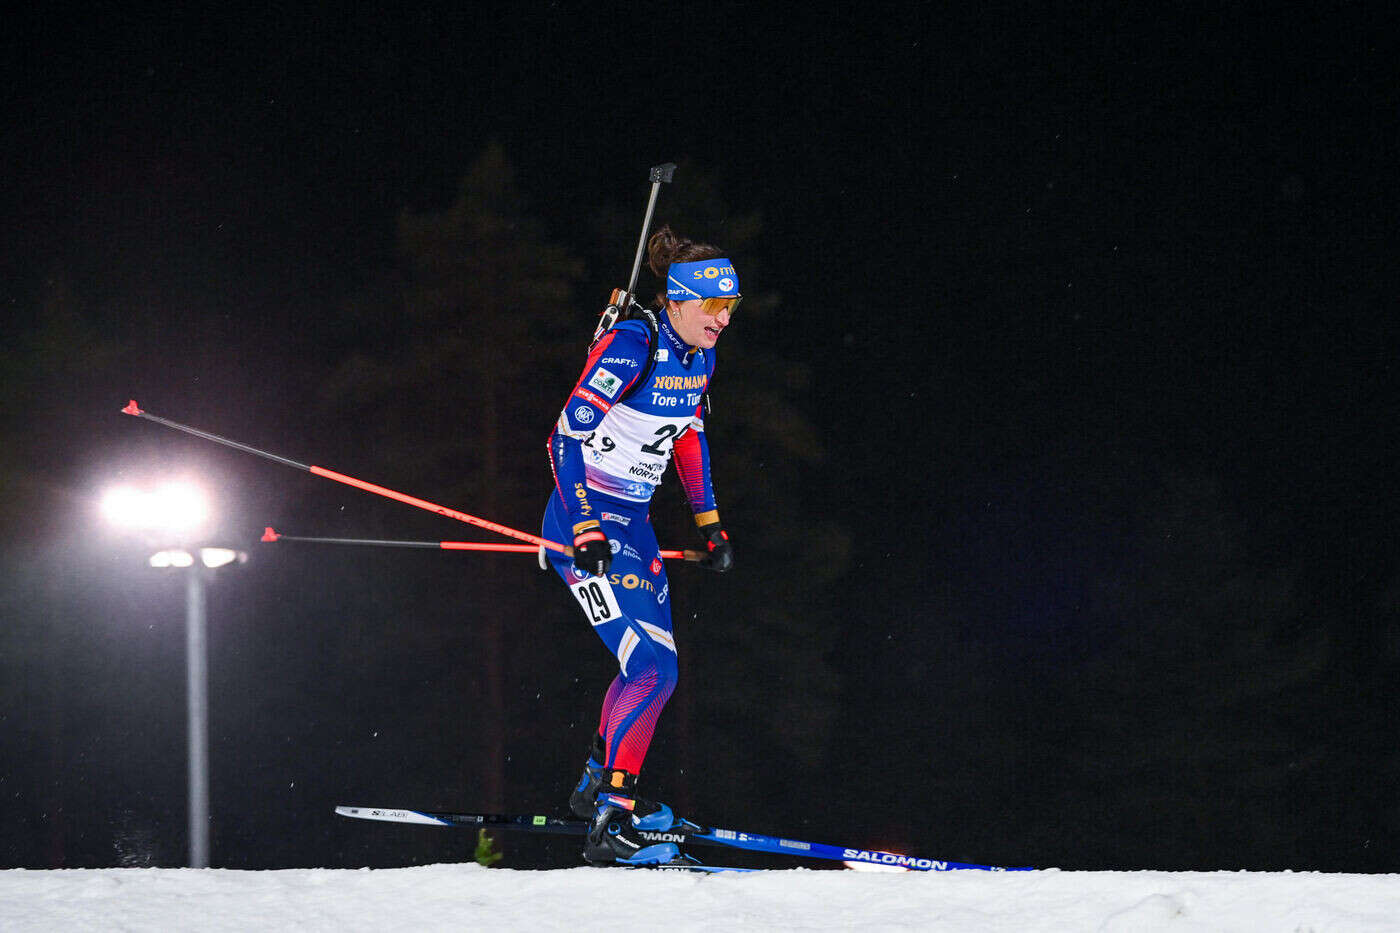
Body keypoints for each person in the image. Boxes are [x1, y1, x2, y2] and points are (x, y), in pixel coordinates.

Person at [541, 226, 738, 865]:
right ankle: (613, 823)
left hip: (635, 526)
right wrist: (583, 526)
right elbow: (563, 441)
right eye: (712, 307)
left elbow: (686, 436)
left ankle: (599, 784)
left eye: (731, 306)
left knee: (648, 668)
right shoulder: (633, 345)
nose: (723, 319)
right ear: (677, 302)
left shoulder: (700, 358)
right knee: (655, 670)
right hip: (585, 524)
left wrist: (710, 523)